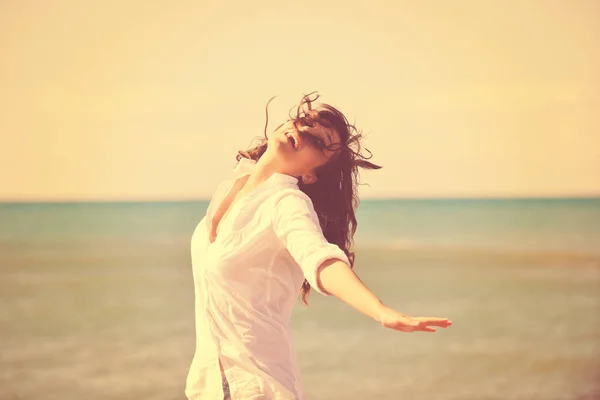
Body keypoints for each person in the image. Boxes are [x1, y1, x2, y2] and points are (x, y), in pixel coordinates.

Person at [185, 92, 452, 400]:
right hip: (207, 386)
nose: (303, 132)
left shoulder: (286, 203)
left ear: (311, 174)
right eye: (305, 122)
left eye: (320, 141)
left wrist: (380, 311)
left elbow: (320, 258)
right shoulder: (234, 185)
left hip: (257, 386)